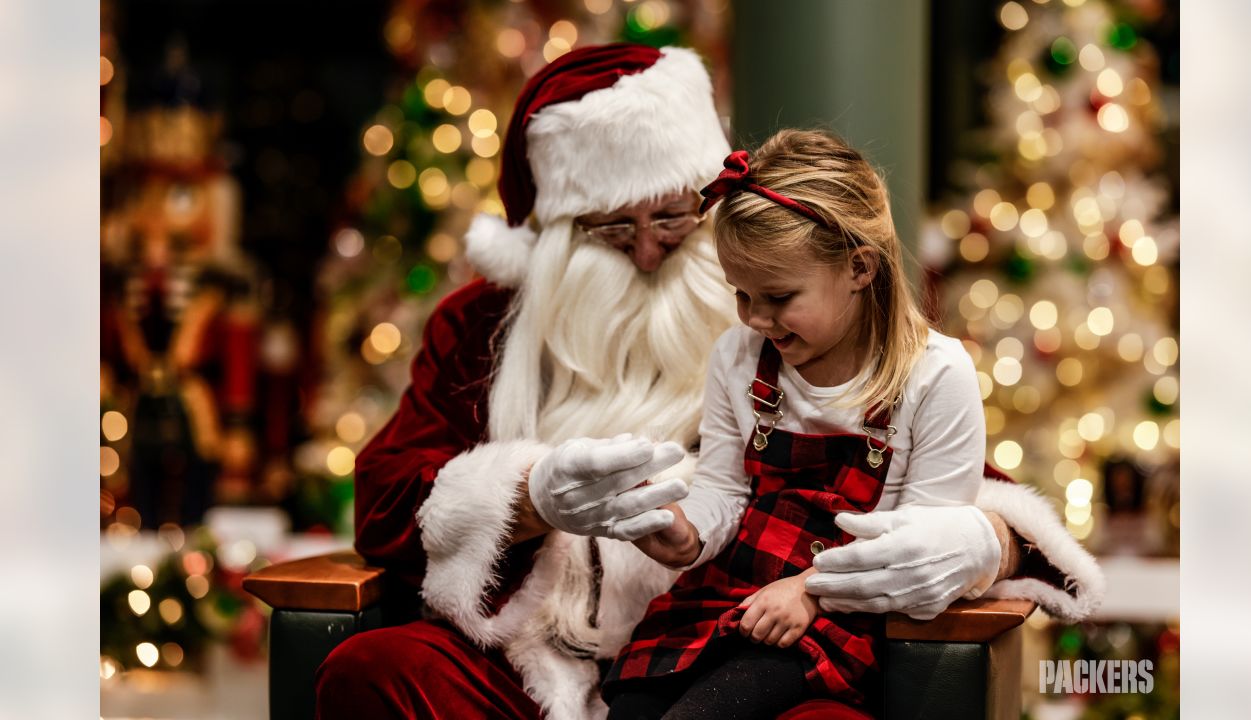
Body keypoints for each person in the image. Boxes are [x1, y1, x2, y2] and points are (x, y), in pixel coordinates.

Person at [315, 44, 1104, 720]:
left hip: (760, 634)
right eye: (613, 229)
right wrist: (527, 497)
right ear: (557, 229)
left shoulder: (825, 323)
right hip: (528, 655)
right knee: (375, 671)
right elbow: (384, 496)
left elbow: (946, 491)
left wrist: (983, 541)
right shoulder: (484, 324)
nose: (651, 255)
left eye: (671, 220)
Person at [602, 129, 1004, 719]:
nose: (756, 318)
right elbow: (723, 490)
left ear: (860, 267)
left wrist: (812, 592)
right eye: (741, 294)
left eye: (779, 296)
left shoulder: (935, 377)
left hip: (845, 614)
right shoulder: (738, 358)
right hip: (731, 595)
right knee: (631, 706)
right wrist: (688, 533)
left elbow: (919, 548)